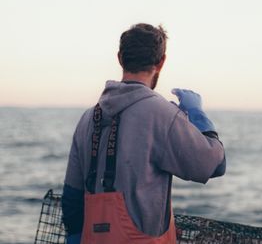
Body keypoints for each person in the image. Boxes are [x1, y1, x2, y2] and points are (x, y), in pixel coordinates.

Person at [61, 23, 226, 244]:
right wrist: (197, 115)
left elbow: (72, 197)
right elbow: (215, 165)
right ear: (161, 61)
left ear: (120, 58)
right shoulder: (163, 114)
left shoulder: (88, 118)